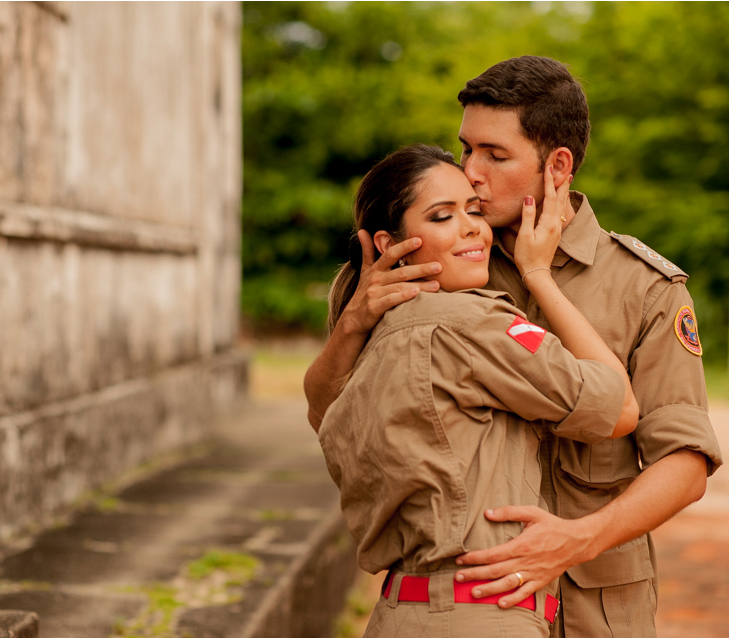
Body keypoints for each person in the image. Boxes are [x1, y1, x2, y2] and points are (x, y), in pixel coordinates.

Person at [304, 56, 723, 637]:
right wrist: (352, 321)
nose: (470, 171)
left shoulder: (643, 289)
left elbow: (686, 463)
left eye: (495, 155)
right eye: (465, 149)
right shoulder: (419, 262)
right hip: (463, 605)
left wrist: (580, 538)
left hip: (595, 610)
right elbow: (332, 416)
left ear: (557, 166)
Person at [319, 143, 638, 637]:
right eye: (443, 216)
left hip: (400, 615)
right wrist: (537, 272)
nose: (473, 227)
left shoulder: (369, 338)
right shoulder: (470, 321)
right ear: (388, 244)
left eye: (473, 210)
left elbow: (320, 408)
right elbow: (619, 409)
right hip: (481, 613)